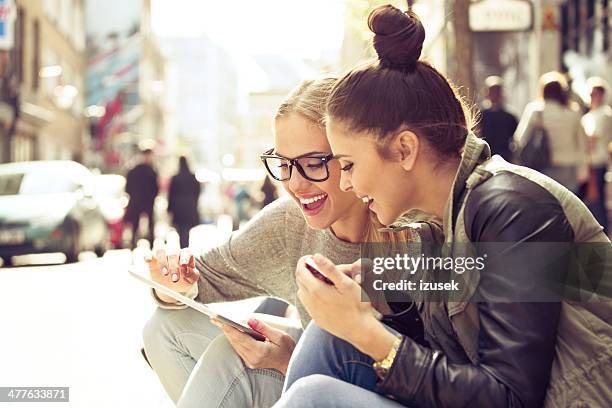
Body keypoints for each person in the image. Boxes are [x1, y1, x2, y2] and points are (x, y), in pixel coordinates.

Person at [275, 5, 612, 408]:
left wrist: (364, 329)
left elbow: (511, 397)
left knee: (315, 397)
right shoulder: (449, 215)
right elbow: (473, 278)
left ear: (404, 149)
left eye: (347, 164)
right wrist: (379, 279)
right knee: (327, 337)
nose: (345, 182)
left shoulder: (514, 208)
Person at [142, 78, 433, 407]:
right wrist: (173, 282)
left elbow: (446, 375)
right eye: (284, 164)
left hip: (388, 390)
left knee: (310, 357)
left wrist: (292, 360)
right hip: (318, 375)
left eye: (313, 164)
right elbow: (203, 276)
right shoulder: (288, 222)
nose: (295, 184)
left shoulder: (416, 224)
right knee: (168, 328)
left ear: (352, 155)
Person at [514, 71, 589, 193]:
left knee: (547, 207)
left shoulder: (535, 111)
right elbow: (582, 144)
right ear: (562, 92)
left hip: (542, 167)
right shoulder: (573, 113)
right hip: (569, 168)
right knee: (568, 207)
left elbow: (520, 138)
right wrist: (583, 171)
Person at [581, 77, 612, 234]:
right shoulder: (588, 115)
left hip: (597, 161)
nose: (594, 97)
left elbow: (592, 137)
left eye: (597, 93)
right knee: (590, 200)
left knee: (598, 200)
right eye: (592, 93)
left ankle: (603, 233)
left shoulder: (605, 114)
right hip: (586, 162)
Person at [125, 145, 159, 248]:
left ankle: (137, 242)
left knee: (146, 223)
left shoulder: (135, 169)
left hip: (142, 200)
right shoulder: (148, 170)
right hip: (142, 201)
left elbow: (128, 188)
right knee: (140, 223)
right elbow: (155, 188)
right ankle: (136, 242)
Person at [478, 76, 518, 161]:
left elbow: (515, 139)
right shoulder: (480, 115)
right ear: (487, 93)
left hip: (505, 158)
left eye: (497, 92)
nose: (494, 95)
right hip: (485, 158)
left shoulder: (510, 117)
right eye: (492, 92)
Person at [168, 156, 201, 247]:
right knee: (186, 230)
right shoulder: (193, 178)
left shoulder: (175, 178)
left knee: (181, 230)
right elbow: (197, 192)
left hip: (178, 209)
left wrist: (169, 209)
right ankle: (185, 248)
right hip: (190, 208)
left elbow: (171, 194)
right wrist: (194, 203)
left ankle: (183, 248)